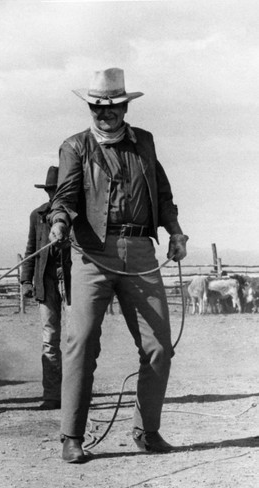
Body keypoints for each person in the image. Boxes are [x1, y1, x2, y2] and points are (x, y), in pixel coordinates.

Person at [48, 68, 189, 463]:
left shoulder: (145, 142)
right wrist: (59, 222)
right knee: (80, 344)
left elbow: (162, 194)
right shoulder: (74, 146)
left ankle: (148, 431)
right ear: (89, 107)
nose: (103, 113)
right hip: (92, 253)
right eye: (97, 106)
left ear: (125, 107)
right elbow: (66, 195)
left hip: (142, 251)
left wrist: (175, 232)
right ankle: (72, 438)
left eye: (111, 107)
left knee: (159, 347)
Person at [20, 166, 72, 411]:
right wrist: (25, 281)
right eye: (51, 190)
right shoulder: (37, 215)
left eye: (58, 190)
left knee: (77, 337)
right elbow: (31, 248)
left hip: (72, 281)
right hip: (46, 280)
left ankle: (74, 393)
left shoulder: (77, 216)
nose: (54, 194)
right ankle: (52, 395)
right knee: (50, 338)